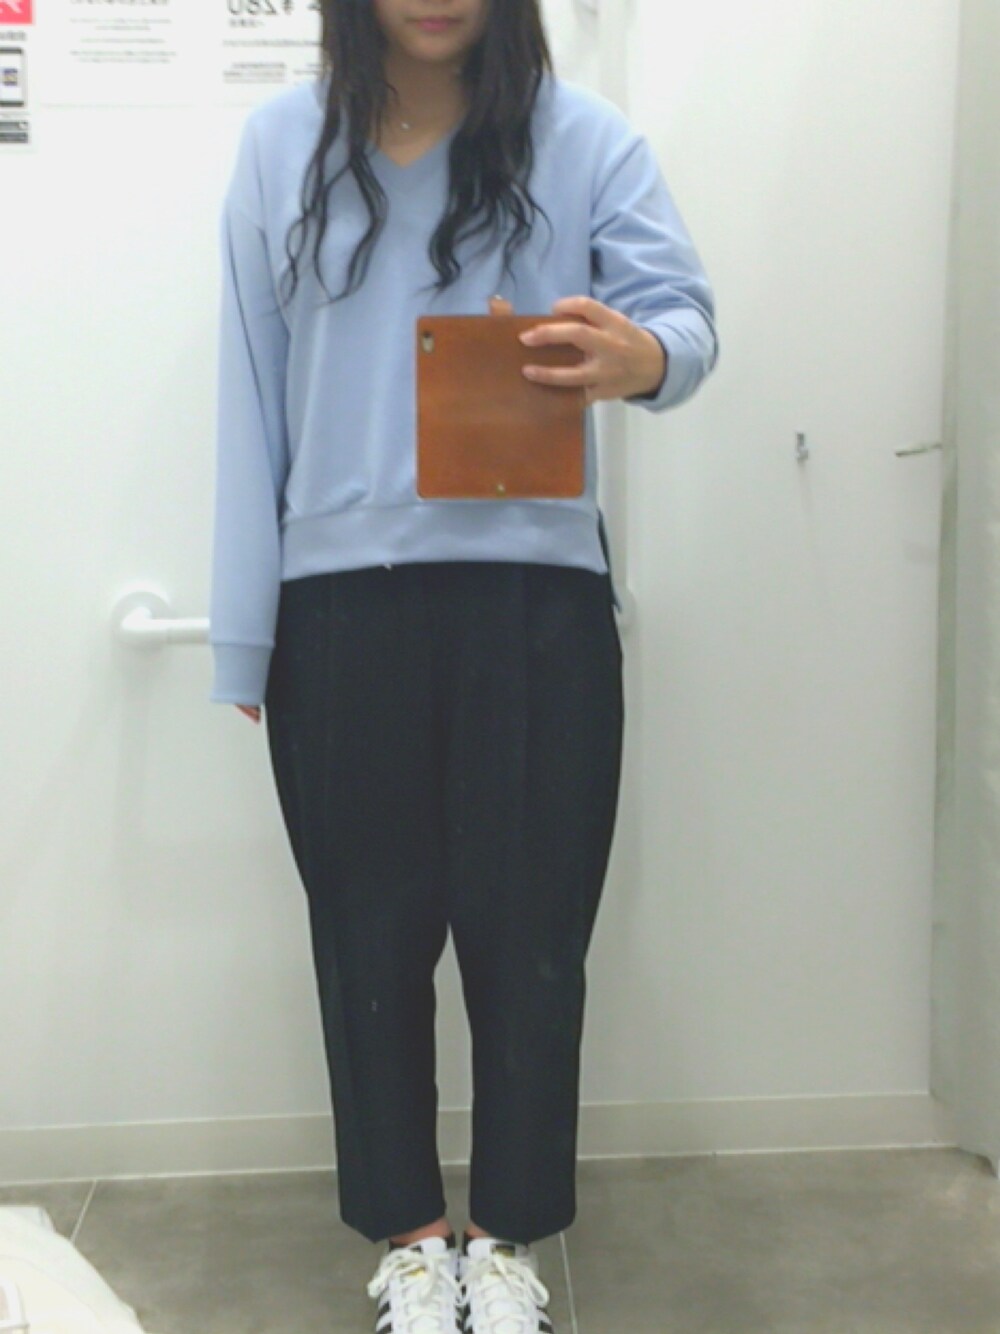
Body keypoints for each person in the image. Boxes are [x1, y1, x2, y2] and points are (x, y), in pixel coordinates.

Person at [208, 1, 719, 1329]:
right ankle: (411, 1240)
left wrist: (643, 357)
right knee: (366, 938)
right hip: (339, 606)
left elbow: (684, 321)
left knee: (533, 937)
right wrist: (245, 624)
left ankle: (503, 1242)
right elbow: (249, 388)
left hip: (535, 598)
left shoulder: (585, 139)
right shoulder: (278, 146)